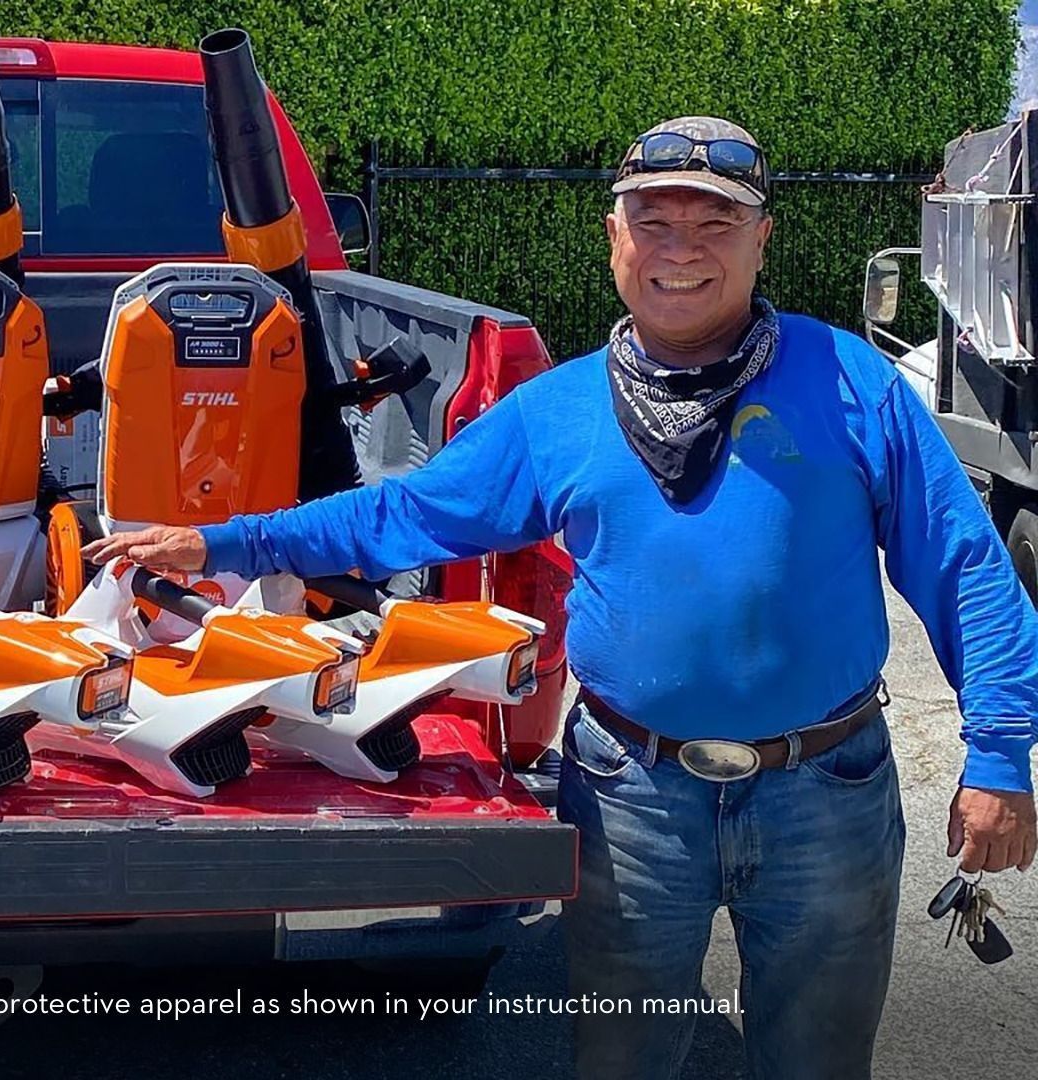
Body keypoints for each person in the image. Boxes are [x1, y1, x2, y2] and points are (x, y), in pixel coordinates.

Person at [82, 117, 1038, 1079]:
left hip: (826, 795)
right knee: (623, 1060)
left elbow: (966, 568)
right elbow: (404, 516)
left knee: (819, 1063)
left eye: (714, 224)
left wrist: (998, 756)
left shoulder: (853, 385)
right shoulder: (559, 411)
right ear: (615, 237)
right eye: (654, 222)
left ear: (763, 238)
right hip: (633, 798)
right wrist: (222, 541)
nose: (681, 251)